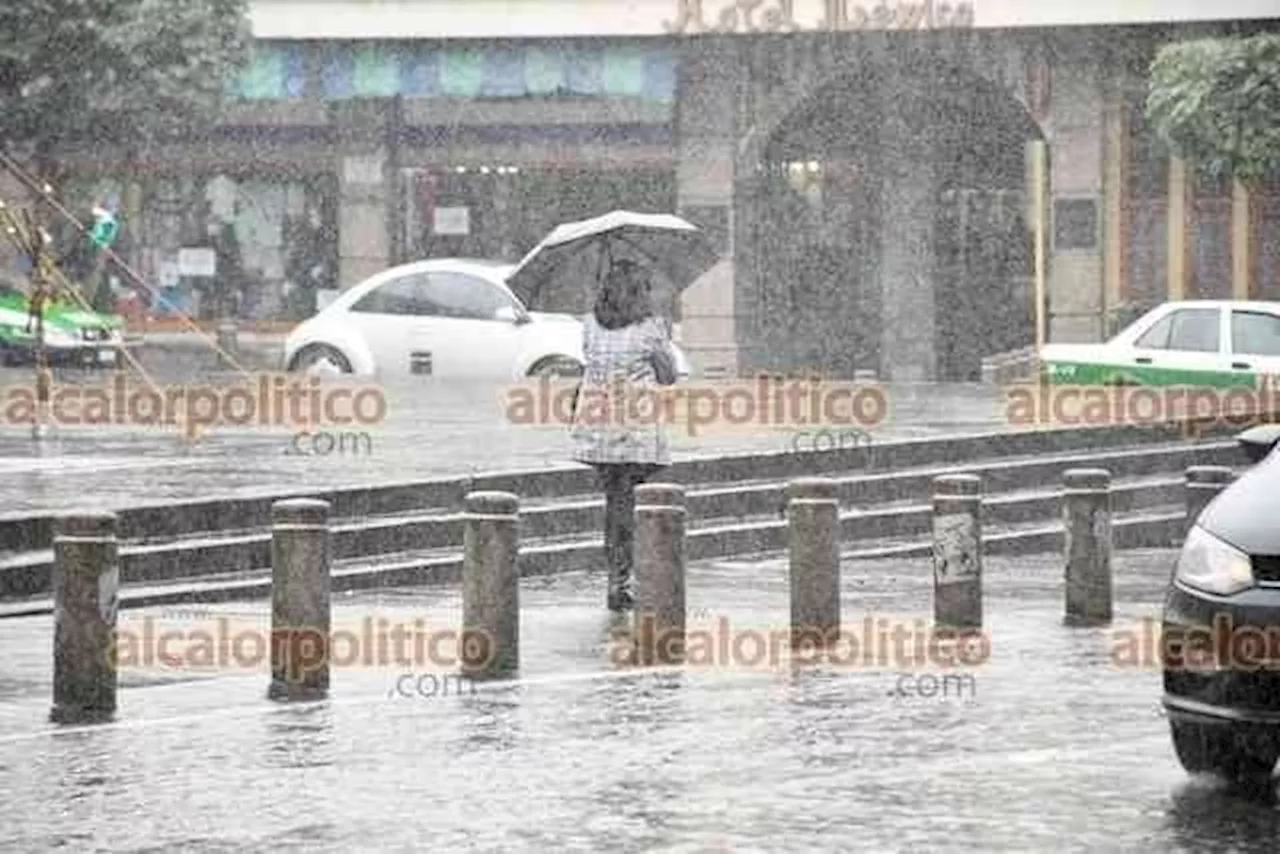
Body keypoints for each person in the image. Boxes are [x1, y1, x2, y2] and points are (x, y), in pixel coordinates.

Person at [570, 258, 680, 612]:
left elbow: (591, 364)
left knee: (615, 504)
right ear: (638, 293)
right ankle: (634, 576)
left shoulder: (590, 325)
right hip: (637, 431)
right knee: (638, 506)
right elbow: (668, 376)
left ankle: (616, 578)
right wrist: (665, 342)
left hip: (600, 428)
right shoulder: (651, 328)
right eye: (645, 288)